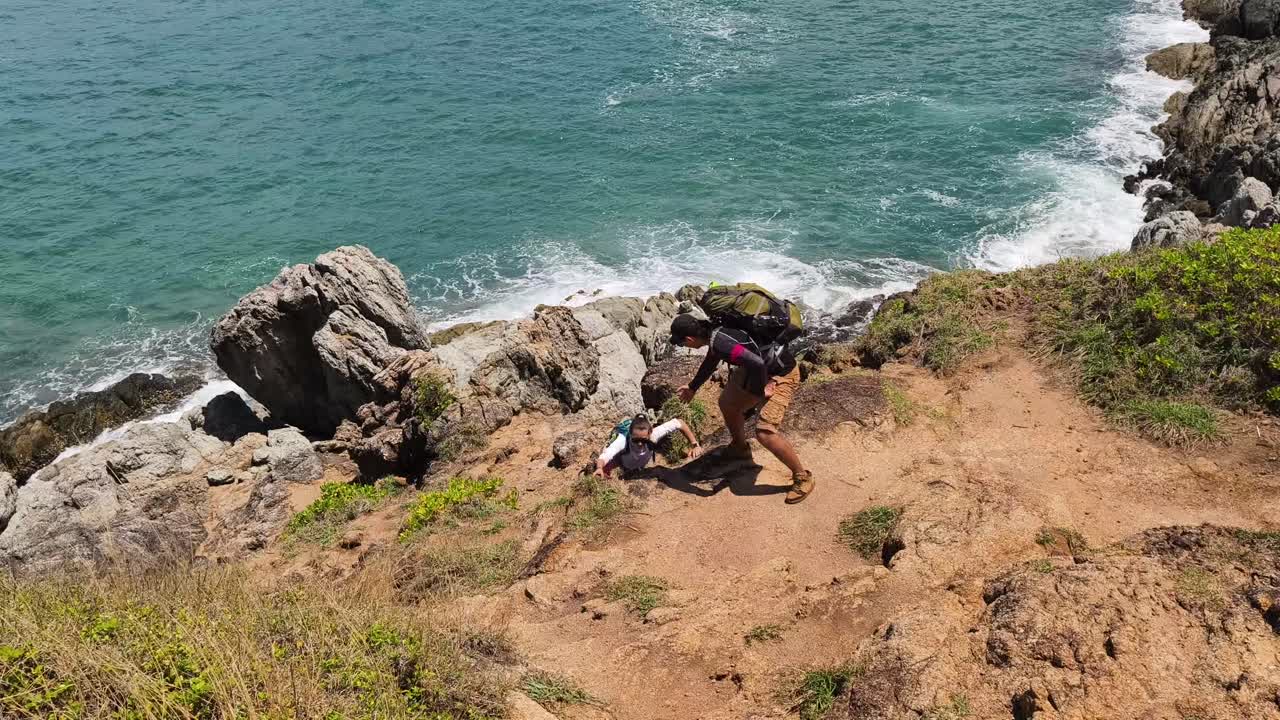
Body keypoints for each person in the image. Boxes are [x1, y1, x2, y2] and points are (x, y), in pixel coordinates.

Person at [669, 313, 814, 504]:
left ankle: (802, 476)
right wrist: (693, 387)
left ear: (689, 339)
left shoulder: (720, 342)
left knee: (765, 432)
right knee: (727, 403)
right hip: (757, 370)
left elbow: (758, 363)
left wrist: (762, 390)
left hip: (781, 374)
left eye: (682, 344)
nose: (684, 347)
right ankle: (740, 449)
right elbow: (712, 362)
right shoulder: (715, 334)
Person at [593, 413, 703, 478]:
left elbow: (679, 422)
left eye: (644, 440)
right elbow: (604, 457)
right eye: (636, 440)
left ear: (650, 433)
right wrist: (599, 468)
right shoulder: (622, 441)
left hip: (638, 465)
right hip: (622, 464)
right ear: (630, 434)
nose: (640, 443)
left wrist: (695, 445)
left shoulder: (654, 434)